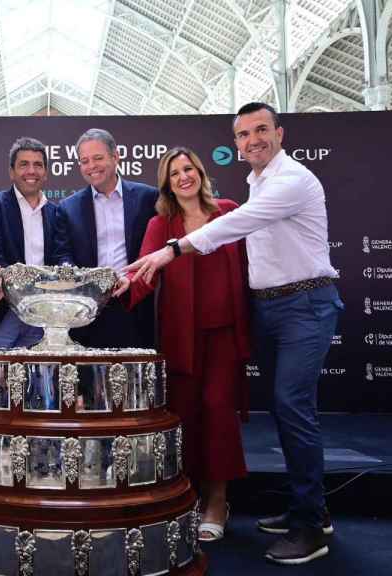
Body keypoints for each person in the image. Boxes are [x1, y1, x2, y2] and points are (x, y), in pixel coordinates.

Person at [125, 102, 343, 565]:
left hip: (303, 304)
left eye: (261, 130)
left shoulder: (287, 182)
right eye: (243, 134)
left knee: (290, 406)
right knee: (286, 411)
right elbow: (144, 274)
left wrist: (174, 249)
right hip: (264, 311)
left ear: (279, 133)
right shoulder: (254, 183)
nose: (252, 140)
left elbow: (235, 227)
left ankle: (308, 527)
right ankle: (312, 511)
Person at [120, 146, 250, 543]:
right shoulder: (163, 224)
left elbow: (252, 261)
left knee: (218, 410)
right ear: (167, 183)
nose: (183, 177)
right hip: (182, 336)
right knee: (187, 415)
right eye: (174, 173)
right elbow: (144, 271)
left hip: (225, 333)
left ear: (200, 172)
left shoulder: (228, 211)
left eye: (188, 168)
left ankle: (218, 499)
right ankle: (188, 496)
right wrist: (115, 290)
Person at [0, 136, 73, 349]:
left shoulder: (56, 212)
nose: (31, 171)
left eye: (38, 165)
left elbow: (62, 254)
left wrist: (66, 273)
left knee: (39, 381)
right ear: (12, 172)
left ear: (46, 173)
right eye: (24, 164)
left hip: (43, 316)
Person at [57, 128, 158, 349]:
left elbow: (157, 248)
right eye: (84, 161)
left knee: (134, 379)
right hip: (87, 310)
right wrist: (76, 278)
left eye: (98, 158)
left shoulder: (148, 197)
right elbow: (63, 253)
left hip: (136, 304)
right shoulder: (68, 207)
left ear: (116, 156)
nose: (91, 166)